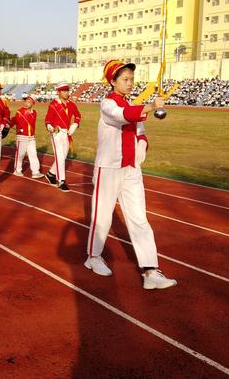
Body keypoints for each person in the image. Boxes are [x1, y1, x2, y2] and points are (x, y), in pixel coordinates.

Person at [85, 60, 176, 290]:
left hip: (131, 168)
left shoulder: (131, 104)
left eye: (131, 79)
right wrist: (150, 107)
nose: (129, 83)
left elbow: (140, 129)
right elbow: (124, 115)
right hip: (109, 168)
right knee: (103, 215)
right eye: (124, 79)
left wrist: (142, 145)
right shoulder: (107, 104)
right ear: (112, 81)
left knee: (139, 218)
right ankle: (93, 257)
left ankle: (150, 270)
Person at [44, 81, 82, 192]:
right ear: (58, 92)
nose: (66, 92)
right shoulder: (53, 105)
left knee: (62, 157)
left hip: (66, 133)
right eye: (64, 91)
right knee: (60, 158)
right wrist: (51, 128)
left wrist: (75, 124)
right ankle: (61, 181)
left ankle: (51, 174)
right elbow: (47, 120)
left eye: (67, 90)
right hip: (56, 134)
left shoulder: (71, 104)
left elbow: (78, 115)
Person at [9, 95, 44, 178]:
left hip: (31, 137)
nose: (26, 103)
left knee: (33, 154)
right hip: (22, 137)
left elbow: (28, 117)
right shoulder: (20, 111)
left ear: (33, 103)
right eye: (25, 101)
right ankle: (17, 170)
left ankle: (35, 171)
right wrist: (8, 125)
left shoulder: (34, 113)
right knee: (20, 154)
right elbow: (14, 120)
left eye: (29, 102)